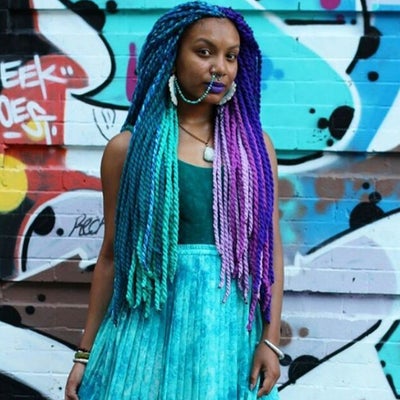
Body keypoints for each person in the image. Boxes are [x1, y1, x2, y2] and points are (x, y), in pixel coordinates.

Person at [65, 2, 284, 399]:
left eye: (231, 56)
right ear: (172, 56)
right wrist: (84, 353)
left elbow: (270, 253)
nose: (220, 67)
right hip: (146, 330)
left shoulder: (254, 149)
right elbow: (111, 256)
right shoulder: (128, 151)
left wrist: (269, 341)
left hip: (226, 333)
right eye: (204, 52)